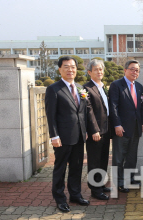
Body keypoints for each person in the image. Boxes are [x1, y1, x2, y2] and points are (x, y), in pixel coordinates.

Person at [45, 56, 99, 212]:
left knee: (76, 168)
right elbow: (51, 115)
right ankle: (60, 198)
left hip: (79, 136)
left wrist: (89, 131)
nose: (70, 70)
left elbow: (85, 112)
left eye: (73, 67)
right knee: (60, 169)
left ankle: (75, 194)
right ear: (60, 69)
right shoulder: (53, 89)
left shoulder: (80, 88)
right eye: (66, 67)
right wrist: (54, 136)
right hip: (62, 138)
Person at [108, 60, 143, 193]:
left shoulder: (140, 86)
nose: (134, 72)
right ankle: (118, 182)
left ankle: (129, 178)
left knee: (132, 156)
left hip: (135, 127)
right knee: (119, 157)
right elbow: (113, 106)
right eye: (132, 69)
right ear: (125, 70)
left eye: (137, 70)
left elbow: (142, 107)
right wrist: (117, 124)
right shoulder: (116, 85)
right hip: (121, 128)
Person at [84, 59, 111, 200]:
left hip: (106, 130)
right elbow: (88, 112)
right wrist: (94, 130)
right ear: (89, 72)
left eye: (101, 69)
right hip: (96, 132)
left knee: (103, 159)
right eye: (96, 69)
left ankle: (101, 184)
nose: (99, 72)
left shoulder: (102, 87)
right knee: (94, 160)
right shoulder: (86, 88)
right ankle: (95, 189)